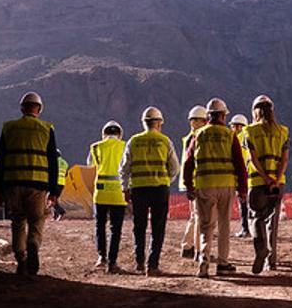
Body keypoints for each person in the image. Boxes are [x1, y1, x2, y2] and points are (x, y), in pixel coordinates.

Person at [0, 91, 61, 276]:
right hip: (37, 185)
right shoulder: (46, 128)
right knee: (37, 220)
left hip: (12, 184)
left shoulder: (9, 128)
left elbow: (1, 159)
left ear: (22, 108)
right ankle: (33, 245)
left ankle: (21, 258)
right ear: (39, 109)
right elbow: (53, 162)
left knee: (18, 221)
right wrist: (54, 191)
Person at [183, 98, 248, 278]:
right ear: (222, 115)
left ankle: (203, 263)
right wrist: (243, 189)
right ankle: (222, 264)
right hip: (226, 185)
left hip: (204, 186)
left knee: (206, 226)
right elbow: (239, 164)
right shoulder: (229, 135)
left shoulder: (199, 134)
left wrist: (189, 186)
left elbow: (188, 163)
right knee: (224, 225)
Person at [118, 107, 179, 276]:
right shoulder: (165, 141)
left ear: (144, 123)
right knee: (158, 227)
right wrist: (166, 181)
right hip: (160, 189)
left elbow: (123, 168)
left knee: (139, 227)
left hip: (139, 190)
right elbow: (174, 167)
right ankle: (153, 265)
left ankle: (139, 263)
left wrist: (125, 188)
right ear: (159, 123)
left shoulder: (134, 141)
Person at [243, 95, 289, 273]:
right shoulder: (283, 131)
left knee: (256, 218)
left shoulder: (249, 131)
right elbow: (284, 160)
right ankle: (273, 261)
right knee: (273, 222)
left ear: (255, 110)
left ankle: (261, 249)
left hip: (257, 182)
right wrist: (276, 179)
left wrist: (265, 177)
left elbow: (253, 159)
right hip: (278, 184)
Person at [88, 121, 127, 273]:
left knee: (100, 226)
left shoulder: (96, 147)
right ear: (120, 134)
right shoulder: (125, 146)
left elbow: (91, 164)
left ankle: (101, 257)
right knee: (115, 229)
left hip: (101, 194)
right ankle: (112, 262)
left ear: (104, 133)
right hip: (119, 194)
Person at [178, 105, 207, 260]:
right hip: (197, 182)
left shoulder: (188, 137)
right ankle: (198, 250)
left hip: (190, 182)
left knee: (194, 216)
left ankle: (187, 246)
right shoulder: (197, 137)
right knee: (198, 217)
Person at [229, 113, 251, 238]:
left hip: (240, 173)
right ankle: (248, 227)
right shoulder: (246, 137)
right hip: (247, 172)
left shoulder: (236, 138)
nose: (235, 128)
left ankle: (245, 228)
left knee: (243, 202)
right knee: (246, 202)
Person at [52, 152, 69, 222]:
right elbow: (66, 174)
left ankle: (61, 212)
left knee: (51, 199)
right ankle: (55, 216)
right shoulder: (65, 163)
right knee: (55, 199)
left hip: (55, 183)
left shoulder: (53, 161)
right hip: (62, 183)